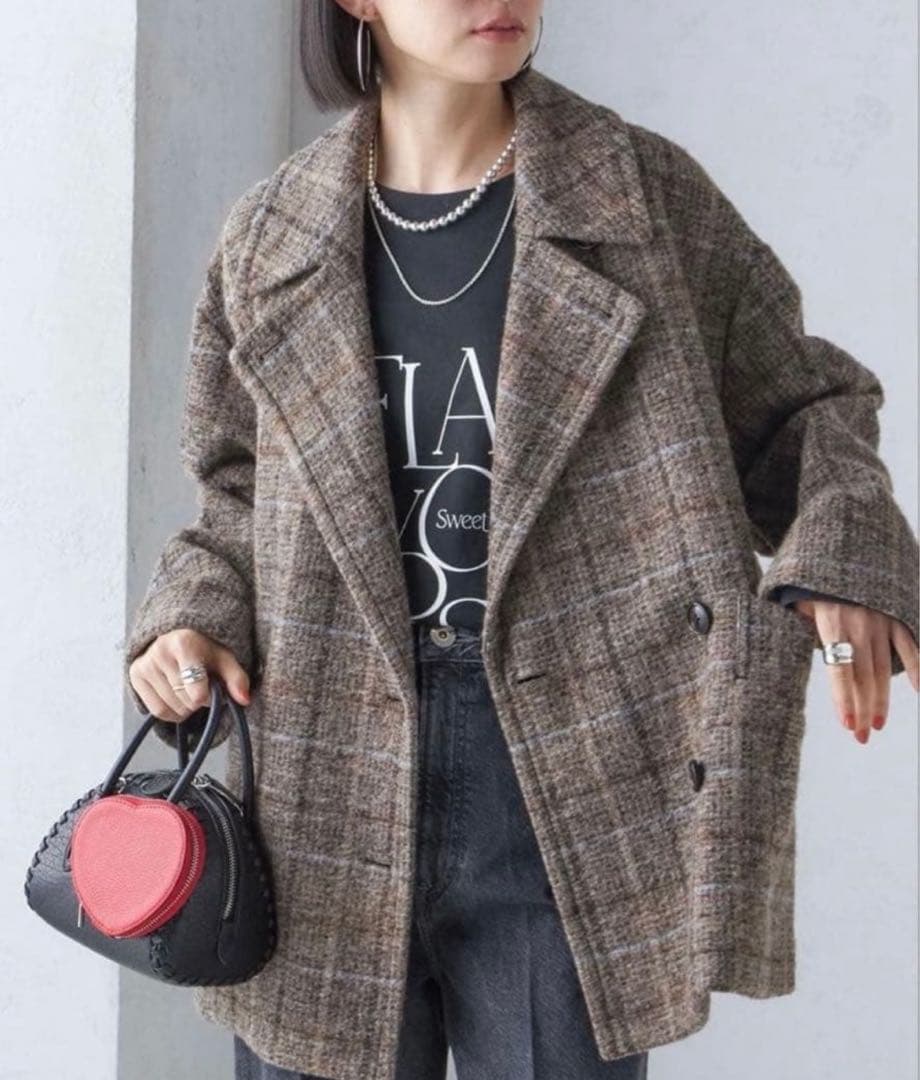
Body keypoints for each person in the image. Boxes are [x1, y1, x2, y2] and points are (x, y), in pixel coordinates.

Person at [125, 2, 920, 1078]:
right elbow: (234, 492)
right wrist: (186, 621)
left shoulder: (641, 198)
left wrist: (844, 557)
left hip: (571, 760)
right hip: (322, 767)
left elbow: (808, 411)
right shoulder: (272, 235)